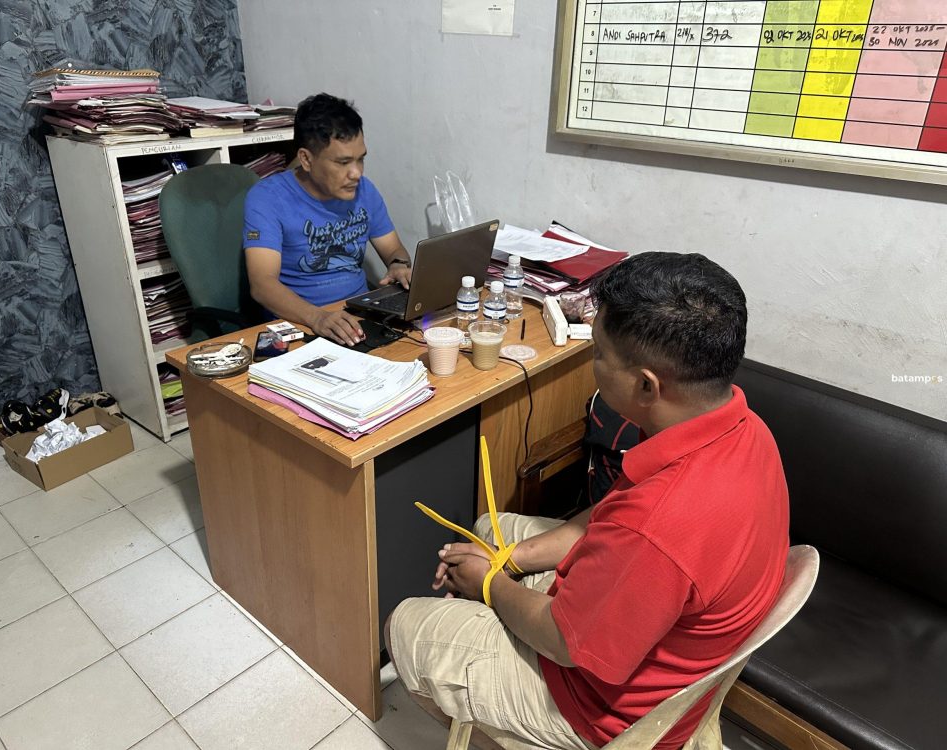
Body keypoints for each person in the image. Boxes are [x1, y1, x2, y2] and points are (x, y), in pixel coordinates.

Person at [386, 252, 790, 750]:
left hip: (600, 708)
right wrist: (512, 561)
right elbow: (610, 516)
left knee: (405, 622)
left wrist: (490, 584)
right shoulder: (743, 427)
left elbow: (565, 641)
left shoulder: (657, 527)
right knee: (492, 530)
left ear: (646, 385)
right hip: (657, 636)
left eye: (599, 352)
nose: (592, 362)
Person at [243, 92, 413, 346]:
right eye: (343, 162)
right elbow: (262, 284)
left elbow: (393, 249)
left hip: (358, 317)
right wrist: (317, 318)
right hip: (300, 324)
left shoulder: (364, 191)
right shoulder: (267, 199)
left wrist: (398, 264)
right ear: (306, 159)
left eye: (360, 159)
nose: (356, 173)